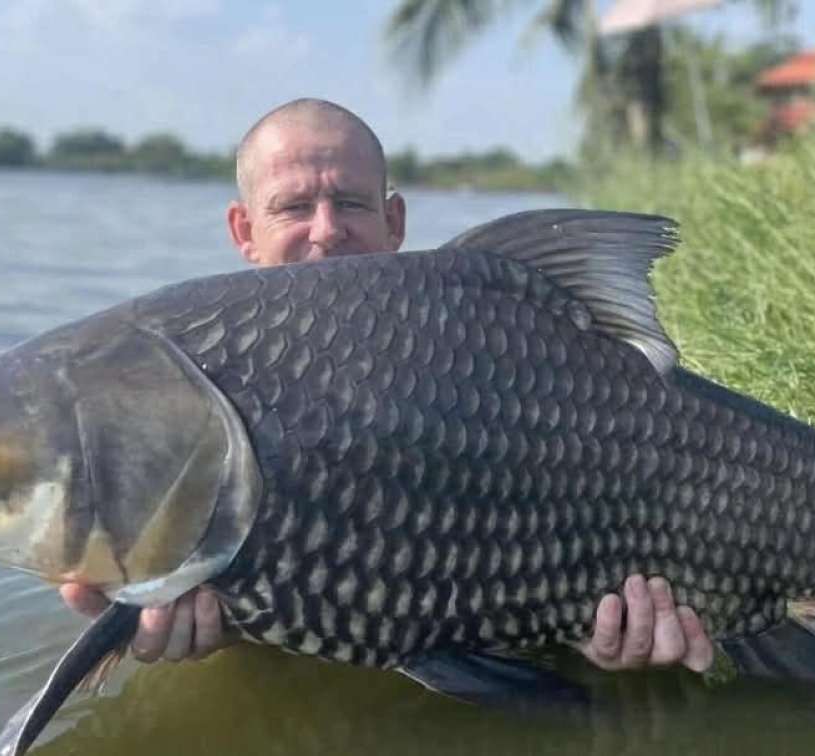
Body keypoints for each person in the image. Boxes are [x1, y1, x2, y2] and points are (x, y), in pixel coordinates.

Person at [59, 97, 711, 674]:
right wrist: (228, 627)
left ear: (393, 219)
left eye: (349, 202)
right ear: (243, 230)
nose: (325, 228)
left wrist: (595, 643)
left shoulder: (485, 336)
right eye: (292, 207)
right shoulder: (203, 384)